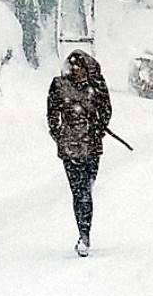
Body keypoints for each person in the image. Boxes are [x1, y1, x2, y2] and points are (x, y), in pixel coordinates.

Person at [47, 50, 112, 257]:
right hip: (70, 149)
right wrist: (60, 135)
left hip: (91, 148)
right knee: (80, 192)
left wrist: (97, 130)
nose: (76, 71)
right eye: (72, 66)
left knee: (86, 189)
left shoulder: (97, 85)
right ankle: (84, 233)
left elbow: (106, 111)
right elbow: (51, 114)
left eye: (80, 67)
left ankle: (84, 231)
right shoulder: (59, 85)